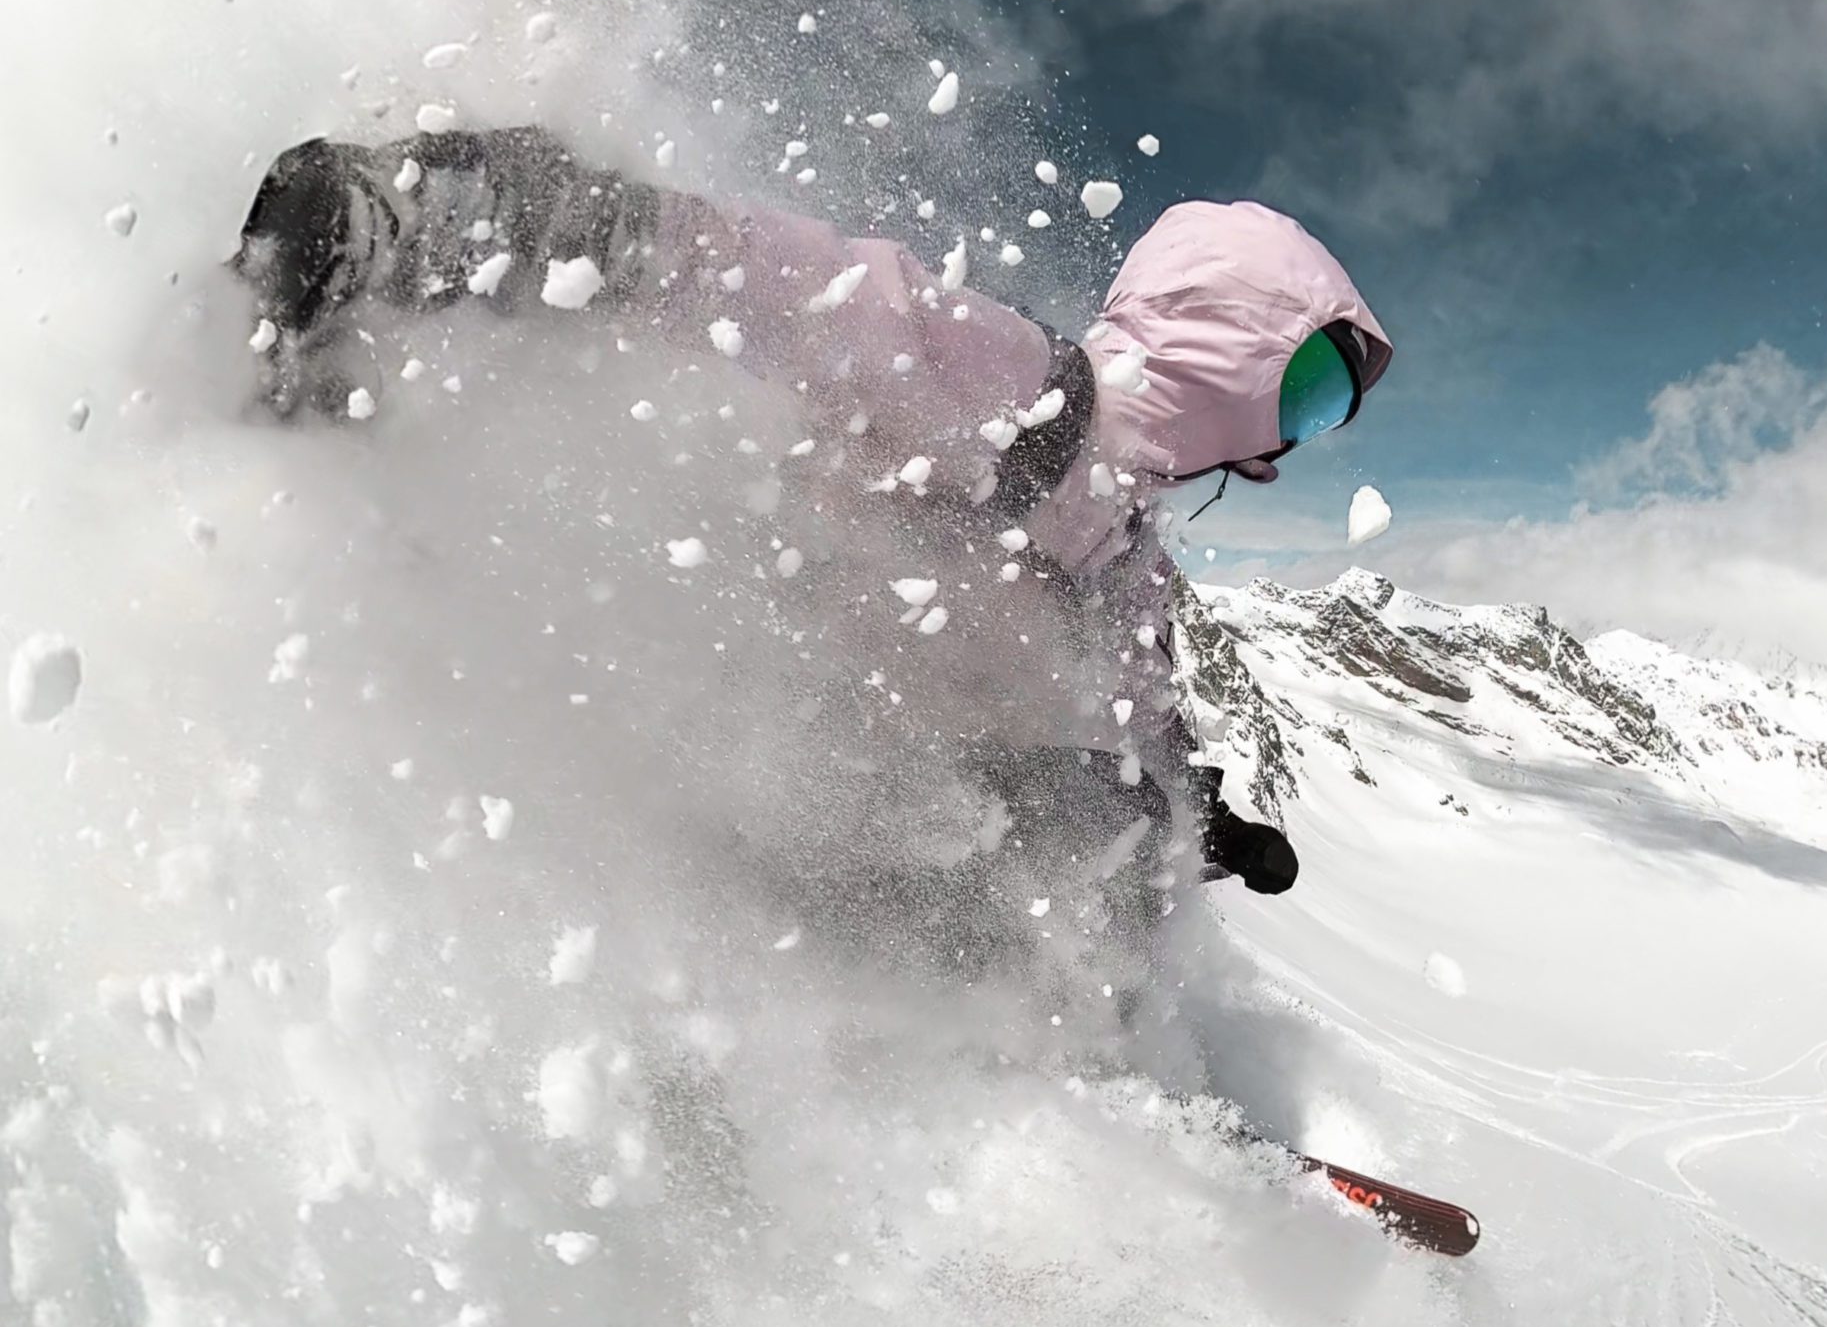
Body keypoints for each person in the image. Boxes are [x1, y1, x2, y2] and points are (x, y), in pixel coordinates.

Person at [232, 127, 1391, 918]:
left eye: (1325, 413)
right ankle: (957, 1037)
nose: (1295, 440)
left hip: (875, 795)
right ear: (1224, 352)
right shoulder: (1017, 390)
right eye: (1306, 393)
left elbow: (1136, 695)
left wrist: (1204, 815)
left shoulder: (1122, 542)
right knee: (1082, 818)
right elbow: (752, 275)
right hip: (759, 732)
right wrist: (449, 213)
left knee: (1117, 808)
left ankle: (1037, 1043)